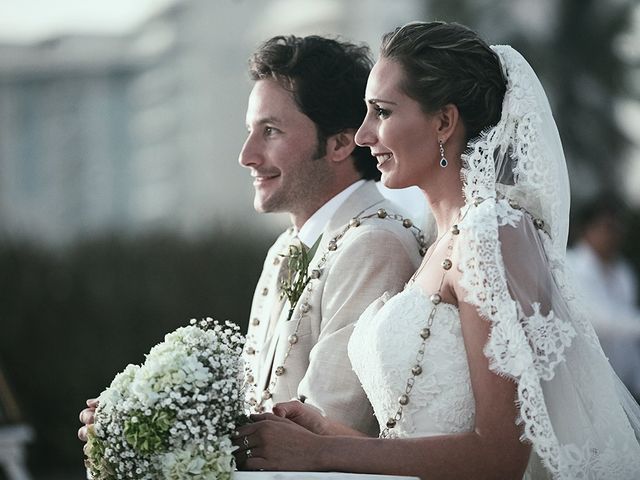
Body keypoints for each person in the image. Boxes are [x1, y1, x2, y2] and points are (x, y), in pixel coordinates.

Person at [233, 22, 640, 479]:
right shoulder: (440, 236)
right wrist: (324, 432)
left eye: (382, 112)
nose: (363, 136)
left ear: (444, 121)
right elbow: (412, 440)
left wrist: (319, 454)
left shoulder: (489, 232)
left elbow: (501, 458)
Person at [78, 35, 426, 442]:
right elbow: (257, 403)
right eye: (250, 131)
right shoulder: (285, 247)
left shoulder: (374, 245)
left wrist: (167, 433)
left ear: (339, 143)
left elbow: (325, 428)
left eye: (271, 131)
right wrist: (144, 416)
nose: (247, 154)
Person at [567, 197, 640, 399]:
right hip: (586, 386)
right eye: (608, 227)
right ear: (587, 229)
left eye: (618, 227)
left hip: (624, 386)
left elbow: (627, 341)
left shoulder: (623, 272)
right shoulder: (570, 265)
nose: (615, 234)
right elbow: (601, 320)